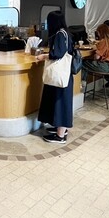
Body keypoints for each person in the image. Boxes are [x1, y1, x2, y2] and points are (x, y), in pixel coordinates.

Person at [35, 11, 73, 144]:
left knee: (61, 102)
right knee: (61, 101)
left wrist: (43, 56)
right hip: (65, 74)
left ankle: (60, 136)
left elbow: (57, 54)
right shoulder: (66, 33)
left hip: (60, 75)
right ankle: (61, 129)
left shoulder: (59, 34)